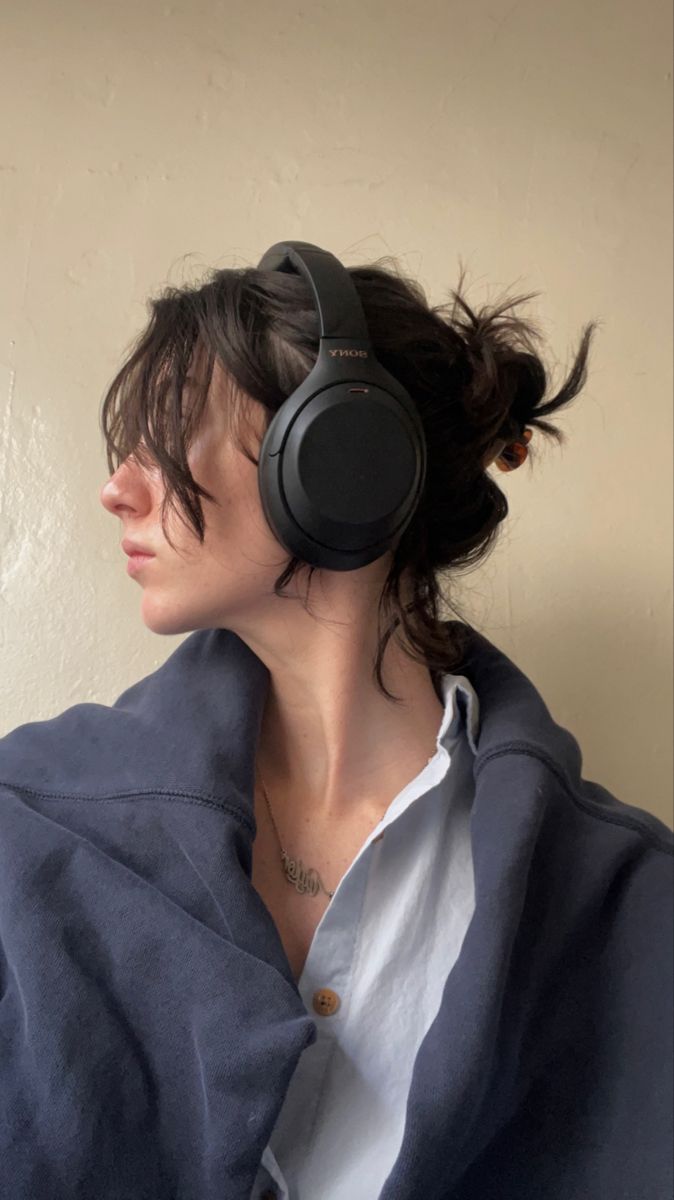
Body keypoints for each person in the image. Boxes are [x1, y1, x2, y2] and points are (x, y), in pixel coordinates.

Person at [1, 246, 672, 1200]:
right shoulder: (25, 823)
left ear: (338, 456)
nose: (119, 485)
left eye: (168, 431)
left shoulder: (629, 914)